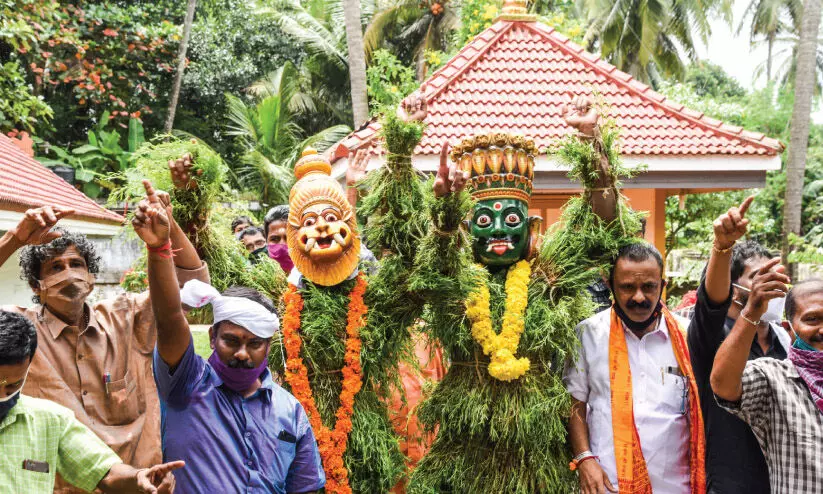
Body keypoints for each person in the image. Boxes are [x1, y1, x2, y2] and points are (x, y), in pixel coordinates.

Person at [0, 156, 208, 492]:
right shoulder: (22, 334)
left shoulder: (127, 318)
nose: (68, 273)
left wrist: (166, 230)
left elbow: (193, 288)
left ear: (92, 278)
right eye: (55, 268)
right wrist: (16, 237)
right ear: (36, 287)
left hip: (145, 485)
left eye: (76, 264)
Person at [132, 181, 325, 494]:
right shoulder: (186, 384)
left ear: (269, 344)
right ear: (212, 337)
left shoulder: (289, 410)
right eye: (231, 341)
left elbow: (305, 488)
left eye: (254, 344)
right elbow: (169, 319)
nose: (242, 354)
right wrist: (159, 249)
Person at [565, 242, 705, 494]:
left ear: (662, 286)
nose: (639, 297)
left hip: (676, 486)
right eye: (628, 287)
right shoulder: (588, 334)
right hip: (608, 485)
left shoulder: (687, 337)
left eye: (648, 287)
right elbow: (575, 403)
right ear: (610, 286)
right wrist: (584, 457)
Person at [0, 310, 184, 493]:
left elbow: (104, 472)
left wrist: (139, 478)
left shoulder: (50, 421)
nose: (2, 395)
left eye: (13, 385)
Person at [687, 197, 790, 494]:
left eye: (776, 276)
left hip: (781, 480)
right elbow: (711, 301)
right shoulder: (711, 335)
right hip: (731, 482)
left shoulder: (784, 340)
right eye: (760, 277)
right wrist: (722, 248)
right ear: (734, 289)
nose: (772, 285)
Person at [711, 270, 823, 493]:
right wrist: (751, 312)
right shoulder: (774, 378)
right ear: (788, 329)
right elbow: (723, 383)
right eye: (812, 319)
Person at [262, 205, 293, 273]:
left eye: (289, 238)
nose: (282, 246)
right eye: (274, 239)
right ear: (266, 241)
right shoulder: (255, 279)